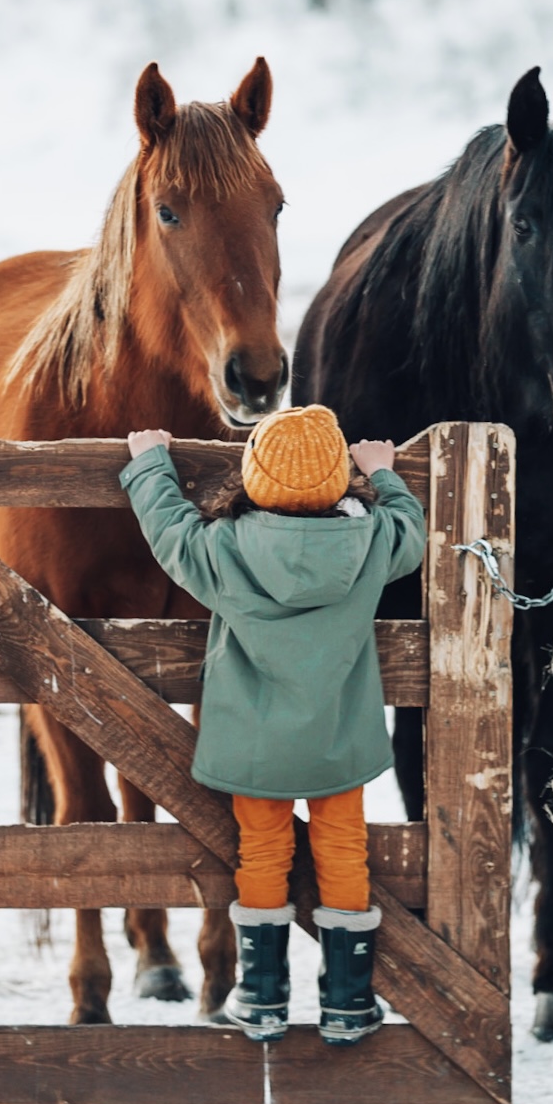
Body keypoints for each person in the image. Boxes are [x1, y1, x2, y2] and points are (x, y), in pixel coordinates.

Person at [120, 405, 426, 1045]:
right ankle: (347, 1000)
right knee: (343, 850)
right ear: (337, 480)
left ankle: (261, 996)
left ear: (255, 477)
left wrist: (151, 462)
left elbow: (168, 528)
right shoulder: (370, 540)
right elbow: (410, 530)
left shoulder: (224, 547)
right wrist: (384, 474)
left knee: (261, 853)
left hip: (254, 749)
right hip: (338, 742)